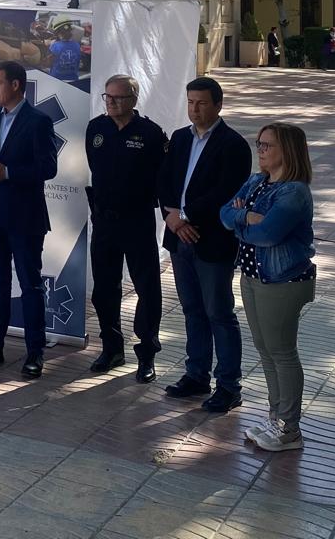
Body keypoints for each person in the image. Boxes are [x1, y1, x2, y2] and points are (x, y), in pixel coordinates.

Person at [157, 76, 251, 414]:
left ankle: (229, 386)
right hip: (178, 237)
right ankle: (196, 375)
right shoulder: (180, 139)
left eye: (201, 103)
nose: (194, 109)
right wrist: (171, 217)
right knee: (191, 310)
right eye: (190, 102)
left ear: (218, 105)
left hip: (211, 241)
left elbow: (226, 193)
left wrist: (183, 215)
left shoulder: (234, 145)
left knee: (219, 314)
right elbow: (164, 180)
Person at [220, 122, 316, 452]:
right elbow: (223, 214)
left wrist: (242, 218)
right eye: (258, 144)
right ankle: (276, 417)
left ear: (287, 151)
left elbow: (270, 234)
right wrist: (248, 218)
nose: (259, 150)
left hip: (283, 281)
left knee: (282, 352)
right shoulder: (256, 181)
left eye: (267, 145)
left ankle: (290, 428)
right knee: (265, 349)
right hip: (252, 276)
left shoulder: (293, 192)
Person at [0, 60, 59, 380]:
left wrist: (8, 173)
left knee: (30, 286)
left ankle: (35, 351)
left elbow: (48, 168)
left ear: (16, 85)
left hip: (24, 217)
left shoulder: (38, 121)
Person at [84, 74, 169, 381]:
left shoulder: (150, 133)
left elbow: (162, 179)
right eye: (107, 97)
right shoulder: (96, 128)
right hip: (105, 221)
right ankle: (111, 347)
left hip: (138, 221)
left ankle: (146, 354)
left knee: (147, 288)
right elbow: (96, 170)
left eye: (118, 98)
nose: (111, 102)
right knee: (105, 289)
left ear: (133, 100)